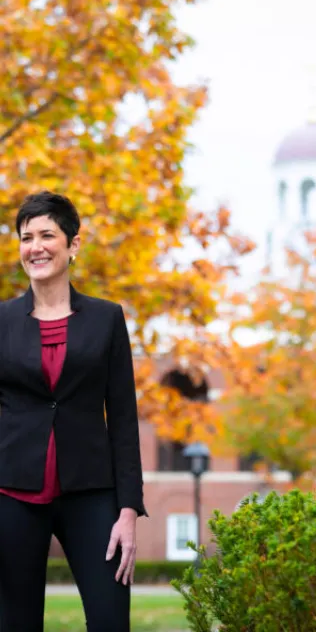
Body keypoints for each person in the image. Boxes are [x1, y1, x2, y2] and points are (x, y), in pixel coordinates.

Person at [0, 191, 147, 631]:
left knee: (109, 620)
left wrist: (128, 511)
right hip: (11, 495)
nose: (36, 247)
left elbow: (122, 418)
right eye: (27, 237)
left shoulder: (106, 319)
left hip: (92, 494)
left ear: (73, 245)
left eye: (47, 234)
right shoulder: (2, 322)